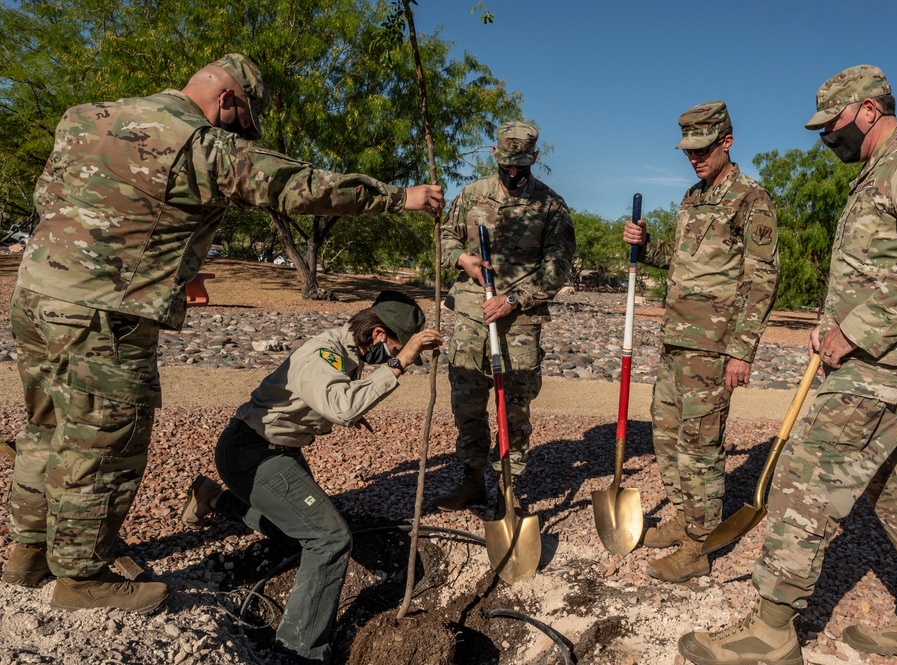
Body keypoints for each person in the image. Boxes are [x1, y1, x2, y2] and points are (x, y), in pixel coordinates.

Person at [1, 53, 444, 614]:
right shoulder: (199, 142)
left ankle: (28, 553)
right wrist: (396, 197)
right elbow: (293, 184)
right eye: (239, 123)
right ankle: (81, 578)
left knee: (46, 427)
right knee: (104, 441)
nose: (237, 132)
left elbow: (57, 202)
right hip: (104, 315)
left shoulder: (85, 115)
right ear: (229, 101)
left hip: (36, 296)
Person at [678, 65, 897, 665]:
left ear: (867, 110)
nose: (824, 137)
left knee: (803, 475)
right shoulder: (879, 172)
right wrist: (833, 322)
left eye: (831, 124)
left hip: (889, 360)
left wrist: (854, 331)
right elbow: (881, 268)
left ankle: (772, 629)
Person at [180, 290, 441, 664]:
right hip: (252, 455)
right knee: (329, 540)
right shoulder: (325, 354)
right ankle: (298, 652)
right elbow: (342, 407)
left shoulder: (348, 351)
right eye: (400, 348)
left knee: (298, 536)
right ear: (380, 335)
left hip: (273, 450)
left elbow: (333, 398)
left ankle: (214, 498)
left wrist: (354, 397)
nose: (401, 360)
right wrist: (398, 364)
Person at [623, 101, 779, 583]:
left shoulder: (752, 200)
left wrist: (741, 349)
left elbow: (762, 279)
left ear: (726, 142)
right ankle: (686, 519)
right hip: (674, 341)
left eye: (703, 148)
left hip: (713, 349)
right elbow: (681, 263)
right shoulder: (692, 198)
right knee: (666, 439)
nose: (694, 158)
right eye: (688, 150)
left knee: (700, 447)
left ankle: (698, 546)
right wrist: (645, 246)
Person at [432, 121, 575, 512]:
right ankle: (473, 482)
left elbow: (558, 264)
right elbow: (445, 237)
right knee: (467, 404)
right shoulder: (472, 194)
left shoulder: (551, 205)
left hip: (519, 323)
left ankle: (509, 494)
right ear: (495, 153)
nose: (513, 173)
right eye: (507, 164)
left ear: (534, 159)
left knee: (513, 408)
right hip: (470, 317)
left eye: (522, 166)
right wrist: (462, 258)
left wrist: (513, 299)